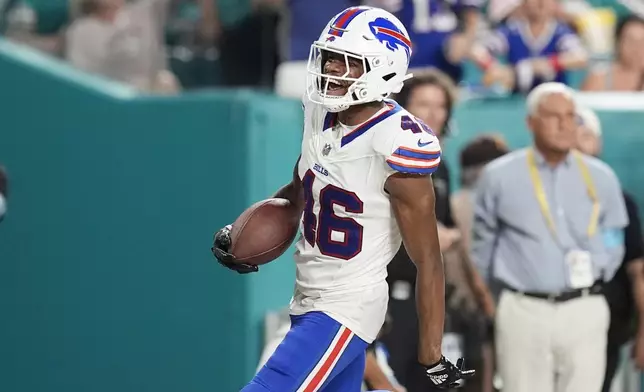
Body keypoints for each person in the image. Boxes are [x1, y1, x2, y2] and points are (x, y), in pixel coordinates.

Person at [212, 6, 474, 391]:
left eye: (346, 62)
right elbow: (300, 188)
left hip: (346, 306)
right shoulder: (320, 110)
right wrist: (245, 232)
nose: (331, 69)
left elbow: (428, 260)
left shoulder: (396, 142)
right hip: (308, 297)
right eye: (330, 58)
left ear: (382, 69)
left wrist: (431, 356)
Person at [472, 82, 628, 392]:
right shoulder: (499, 176)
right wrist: (492, 297)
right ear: (530, 122)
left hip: (585, 306)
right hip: (523, 306)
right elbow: (483, 241)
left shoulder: (601, 176)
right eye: (553, 115)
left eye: (570, 116)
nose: (564, 124)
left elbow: (613, 233)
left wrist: (600, 267)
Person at [382, 69, 462, 392]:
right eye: (423, 103)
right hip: (391, 293)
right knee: (390, 381)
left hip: (428, 294)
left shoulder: (439, 165)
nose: (432, 113)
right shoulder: (388, 155)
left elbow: (450, 227)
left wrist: (448, 236)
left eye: (439, 105)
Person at [573, 107, 644, 391]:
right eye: (572, 136)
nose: (579, 143)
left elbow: (638, 270)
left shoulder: (620, 200)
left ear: (598, 143)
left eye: (586, 136)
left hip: (608, 326)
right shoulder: (537, 199)